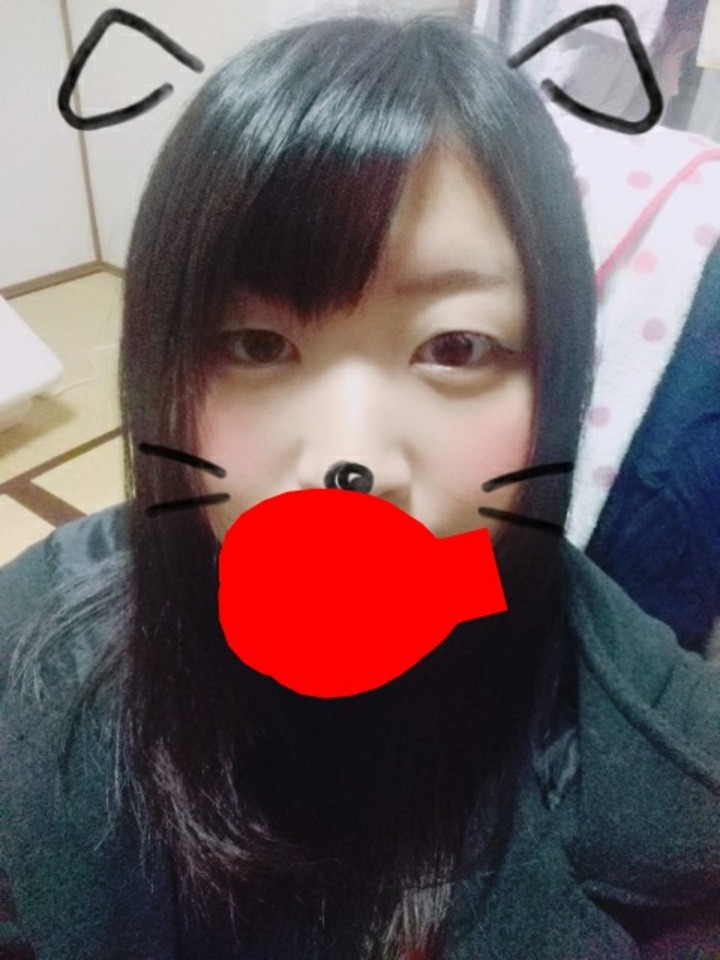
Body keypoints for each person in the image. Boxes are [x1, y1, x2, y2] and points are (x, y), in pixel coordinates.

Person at [1, 14, 719, 960]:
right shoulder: (35, 647)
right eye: (258, 344)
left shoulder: (655, 756)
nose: (349, 459)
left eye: (455, 347)